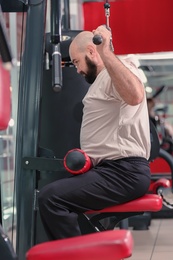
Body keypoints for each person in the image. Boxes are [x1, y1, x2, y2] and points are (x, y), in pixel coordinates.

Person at [38, 26, 151, 240]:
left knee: (51, 198)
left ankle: (75, 256)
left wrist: (106, 50)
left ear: (91, 51)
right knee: (57, 195)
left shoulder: (113, 73)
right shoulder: (102, 80)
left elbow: (135, 95)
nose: (76, 69)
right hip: (111, 171)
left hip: (123, 173)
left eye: (76, 61)